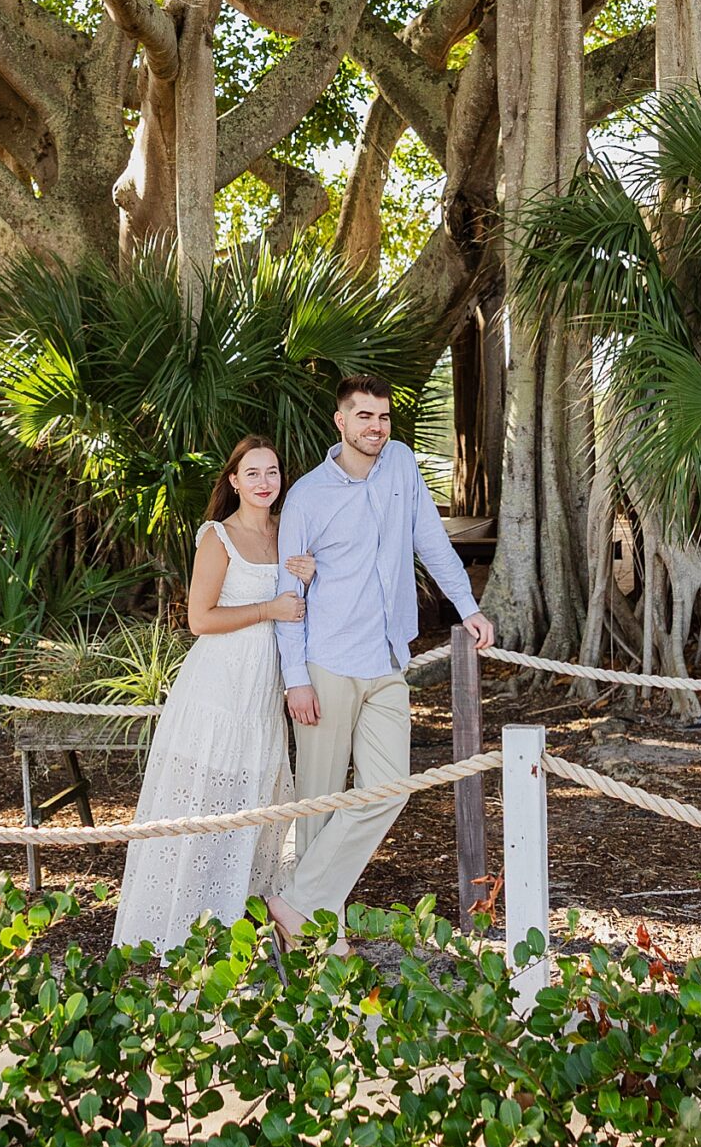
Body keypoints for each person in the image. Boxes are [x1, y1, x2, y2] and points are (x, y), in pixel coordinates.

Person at [266, 374, 494, 944]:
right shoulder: (308, 496)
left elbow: (432, 543)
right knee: (318, 801)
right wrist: (296, 679)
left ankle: (297, 902)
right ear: (340, 421)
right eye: (364, 416)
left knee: (388, 788)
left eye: (384, 417)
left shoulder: (402, 467)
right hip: (326, 661)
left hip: (388, 659)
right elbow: (288, 596)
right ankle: (319, 939)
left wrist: (467, 607)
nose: (376, 427)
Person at [112, 436, 316, 953]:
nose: (264, 483)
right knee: (204, 806)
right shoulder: (217, 538)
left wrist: (313, 579)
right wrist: (267, 609)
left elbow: (301, 605)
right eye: (252, 474)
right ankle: (178, 936)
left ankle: (237, 935)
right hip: (217, 691)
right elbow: (200, 619)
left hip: (262, 697)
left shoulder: (288, 532)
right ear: (233, 481)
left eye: (272, 473)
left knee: (252, 811)